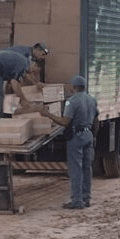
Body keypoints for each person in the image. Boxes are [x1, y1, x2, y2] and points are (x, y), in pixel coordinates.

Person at [39, 75, 99, 209]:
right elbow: (96, 120)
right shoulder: (92, 100)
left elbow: (65, 122)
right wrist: (93, 135)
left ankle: (77, 201)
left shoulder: (72, 101)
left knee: (76, 169)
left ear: (73, 87)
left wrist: (48, 114)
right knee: (86, 168)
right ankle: (86, 198)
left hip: (76, 137)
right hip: (88, 134)